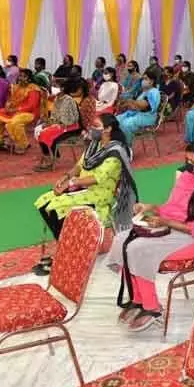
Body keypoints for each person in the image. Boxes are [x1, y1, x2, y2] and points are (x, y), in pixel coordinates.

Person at [107, 138, 194, 332]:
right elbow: (172, 208)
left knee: (138, 249)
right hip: (174, 228)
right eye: (187, 160)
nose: (188, 167)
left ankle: (153, 309)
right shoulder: (187, 177)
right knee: (121, 240)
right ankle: (138, 299)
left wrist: (166, 223)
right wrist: (150, 207)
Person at [33, 113, 137, 274]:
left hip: (99, 195)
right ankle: (66, 246)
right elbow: (79, 166)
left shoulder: (116, 151)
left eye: (96, 126)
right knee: (44, 202)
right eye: (92, 125)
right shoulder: (94, 145)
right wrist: (65, 177)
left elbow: (97, 178)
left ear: (108, 129)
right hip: (81, 188)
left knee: (55, 207)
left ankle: (69, 252)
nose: (92, 129)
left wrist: (70, 183)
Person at [34, 78, 87, 171]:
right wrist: (49, 122)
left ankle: (51, 160)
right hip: (60, 124)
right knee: (39, 130)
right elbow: (54, 116)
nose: (53, 88)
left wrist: (52, 124)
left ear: (62, 88)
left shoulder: (68, 100)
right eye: (53, 86)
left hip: (71, 127)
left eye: (55, 86)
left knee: (45, 134)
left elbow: (66, 121)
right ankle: (48, 157)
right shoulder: (57, 99)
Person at [0, 69, 43, 154]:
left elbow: (31, 106)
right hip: (14, 111)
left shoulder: (33, 89)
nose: (21, 78)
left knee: (14, 123)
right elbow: (11, 100)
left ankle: (22, 144)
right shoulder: (16, 87)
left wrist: (15, 110)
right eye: (20, 76)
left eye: (24, 77)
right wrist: (8, 105)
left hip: (29, 113)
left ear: (29, 78)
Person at [116, 69, 162, 143]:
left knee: (126, 124)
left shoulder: (154, 92)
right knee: (116, 120)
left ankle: (127, 147)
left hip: (147, 117)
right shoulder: (144, 92)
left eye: (145, 79)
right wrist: (127, 104)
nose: (143, 81)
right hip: (137, 115)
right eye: (143, 79)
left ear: (151, 81)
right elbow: (136, 106)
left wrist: (132, 102)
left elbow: (145, 106)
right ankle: (117, 145)